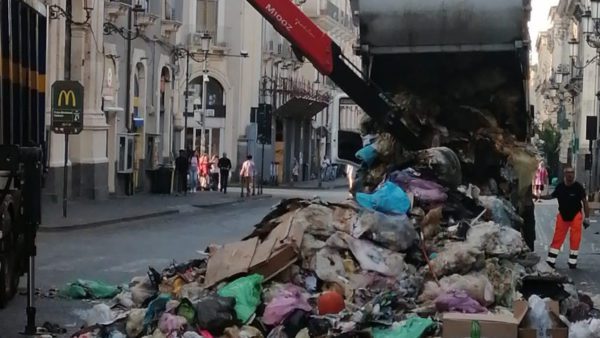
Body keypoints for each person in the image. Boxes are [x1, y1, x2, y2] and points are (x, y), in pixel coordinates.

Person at [542, 166, 590, 269]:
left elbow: (585, 202)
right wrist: (538, 197)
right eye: (568, 173)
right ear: (564, 174)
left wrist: (587, 218)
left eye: (572, 173)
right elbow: (552, 196)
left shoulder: (578, 187)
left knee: (575, 238)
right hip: (563, 216)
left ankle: (572, 262)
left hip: (575, 216)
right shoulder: (560, 187)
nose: (570, 175)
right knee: (557, 238)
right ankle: (551, 260)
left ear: (574, 174)